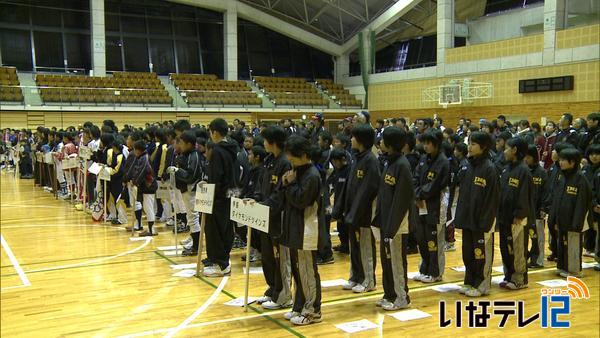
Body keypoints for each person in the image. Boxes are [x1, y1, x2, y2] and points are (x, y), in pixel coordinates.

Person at [280, 135, 323, 325]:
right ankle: (299, 305)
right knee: (299, 271)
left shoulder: (312, 175)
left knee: (308, 271)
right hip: (295, 226)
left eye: (293, 157)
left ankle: (313, 310)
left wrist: (290, 184)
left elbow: (300, 200)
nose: (290, 160)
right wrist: (287, 183)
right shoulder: (297, 171)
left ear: (304, 155)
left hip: (307, 228)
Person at [372, 127, 414, 310]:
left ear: (389, 144)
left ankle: (401, 297)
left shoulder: (403, 166)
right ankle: (389, 294)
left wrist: (392, 226)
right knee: (387, 261)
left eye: (381, 140)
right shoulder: (389, 162)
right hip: (387, 222)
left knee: (396, 262)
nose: (379, 143)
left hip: (397, 225)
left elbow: (402, 201)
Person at [455, 132, 500, 297]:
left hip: (482, 222)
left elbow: (492, 199)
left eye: (473, 144)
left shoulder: (490, 168)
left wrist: (485, 221)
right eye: (469, 143)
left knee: (480, 254)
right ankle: (469, 281)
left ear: (484, 147)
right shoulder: (467, 165)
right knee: (468, 253)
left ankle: (482, 284)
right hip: (467, 219)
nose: (469, 147)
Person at [257, 126, 293, 310]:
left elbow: (280, 194)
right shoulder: (269, 160)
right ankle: (273, 288)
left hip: (278, 218)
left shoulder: (285, 163)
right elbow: (262, 187)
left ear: (273, 142)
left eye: (265, 140)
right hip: (265, 216)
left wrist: (266, 206)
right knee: (268, 256)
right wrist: (255, 200)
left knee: (280, 257)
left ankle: (284, 295)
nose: (263, 143)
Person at [342, 124, 380, 293]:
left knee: (365, 247)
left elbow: (368, 190)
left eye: (354, 137)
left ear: (361, 140)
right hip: (353, 212)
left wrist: (356, 212)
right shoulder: (356, 157)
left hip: (364, 214)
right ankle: (355, 276)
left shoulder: (371, 160)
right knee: (354, 246)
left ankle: (368, 280)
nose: (351, 140)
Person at [202, 118, 239, 276]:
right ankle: (221, 260)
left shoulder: (217, 150)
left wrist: (210, 193)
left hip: (218, 198)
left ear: (214, 132)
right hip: (230, 194)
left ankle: (221, 264)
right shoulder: (233, 148)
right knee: (225, 229)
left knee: (215, 230)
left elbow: (217, 177)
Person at [413, 129, 450, 283]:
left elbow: (435, 186)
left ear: (436, 144)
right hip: (421, 204)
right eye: (424, 143)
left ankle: (436, 272)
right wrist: (416, 195)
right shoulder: (423, 159)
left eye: (428, 143)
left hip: (436, 205)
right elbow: (414, 178)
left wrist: (421, 195)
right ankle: (425, 269)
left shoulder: (443, 162)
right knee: (423, 238)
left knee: (435, 240)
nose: (425, 146)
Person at [498, 137, 534, 290]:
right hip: (504, 216)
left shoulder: (524, 171)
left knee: (518, 249)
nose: (504, 151)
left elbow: (525, 196)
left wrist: (519, 214)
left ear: (514, 150)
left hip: (517, 218)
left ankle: (519, 279)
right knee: (506, 248)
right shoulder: (507, 168)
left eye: (506, 148)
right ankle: (509, 275)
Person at [552, 148, 592, 277]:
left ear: (573, 162)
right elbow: (557, 198)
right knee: (562, 243)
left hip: (574, 221)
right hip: (562, 218)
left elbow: (582, 204)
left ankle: (575, 270)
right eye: (560, 159)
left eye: (563, 160)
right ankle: (563, 266)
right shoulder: (562, 176)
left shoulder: (581, 179)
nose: (560, 162)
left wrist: (577, 222)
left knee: (573, 244)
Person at [168, 131, 202, 256]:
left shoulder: (194, 156)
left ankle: (196, 247)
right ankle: (194, 243)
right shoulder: (186, 154)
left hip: (191, 191)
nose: (179, 145)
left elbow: (190, 176)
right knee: (191, 218)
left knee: (193, 218)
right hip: (185, 190)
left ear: (189, 144)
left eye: (181, 143)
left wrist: (177, 171)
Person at [524, 144, 548, 268]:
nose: (526, 159)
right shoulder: (524, 171)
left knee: (537, 237)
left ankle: (538, 260)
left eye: (528, 157)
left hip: (537, 211)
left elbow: (546, 192)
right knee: (528, 236)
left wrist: (543, 208)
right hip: (526, 211)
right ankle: (528, 256)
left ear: (534, 157)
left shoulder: (542, 173)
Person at [130, 140, 158, 236]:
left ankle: (152, 230)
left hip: (149, 186)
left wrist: (134, 181)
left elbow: (141, 172)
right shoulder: (143, 157)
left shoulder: (144, 158)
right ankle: (151, 229)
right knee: (147, 207)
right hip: (146, 187)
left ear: (138, 150)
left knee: (148, 208)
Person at [329, 148, 350, 254]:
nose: (334, 164)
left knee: (346, 226)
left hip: (346, 204)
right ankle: (343, 244)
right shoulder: (337, 171)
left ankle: (348, 245)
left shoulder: (349, 170)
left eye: (335, 161)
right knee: (340, 225)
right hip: (338, 202)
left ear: (342, 159)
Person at [580, 144, 600, 257]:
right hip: (587, 203)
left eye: (597, 154)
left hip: (597, 203)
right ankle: (588, 247)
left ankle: (596, 251)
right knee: (588, 225)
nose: (594, 157)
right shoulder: (586, 169)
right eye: (592, 154)